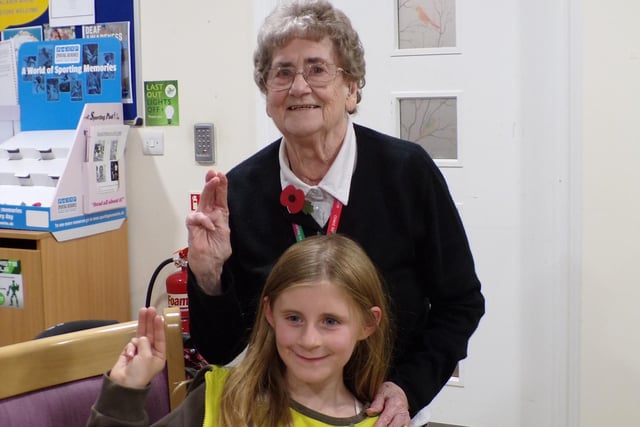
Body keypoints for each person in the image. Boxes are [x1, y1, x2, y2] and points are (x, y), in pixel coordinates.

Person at [186, 1, 485, 425]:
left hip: (384, 411)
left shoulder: (407, 173)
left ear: (352, 89)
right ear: (267, 95)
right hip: (281, 413)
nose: (299, 87)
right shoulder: (241, 192)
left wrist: (408, 389)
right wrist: (209, 276)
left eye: (317, 69)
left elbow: (461, 302)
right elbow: (220, 350)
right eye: (283, 72)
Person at [88, 234, 393, 426]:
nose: (310, 340)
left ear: (367, 324)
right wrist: (124, 394)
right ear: (270, 313)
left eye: (330, 321)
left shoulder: (384, 422)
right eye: (294, 318)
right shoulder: (221, 397)